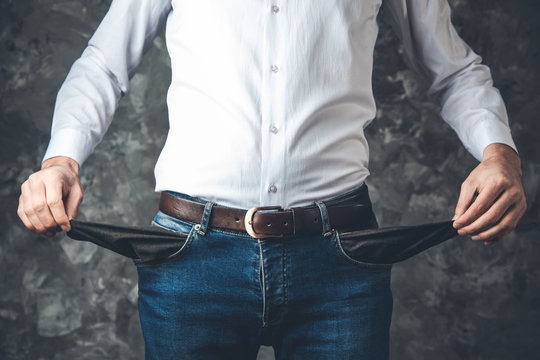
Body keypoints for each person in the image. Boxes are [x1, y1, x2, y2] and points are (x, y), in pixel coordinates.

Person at [17, 1, 527, 359]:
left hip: (340, 266)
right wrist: (61, 161)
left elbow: (455, 72)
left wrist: (499, 153)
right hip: (190, 262)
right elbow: (103, 65)